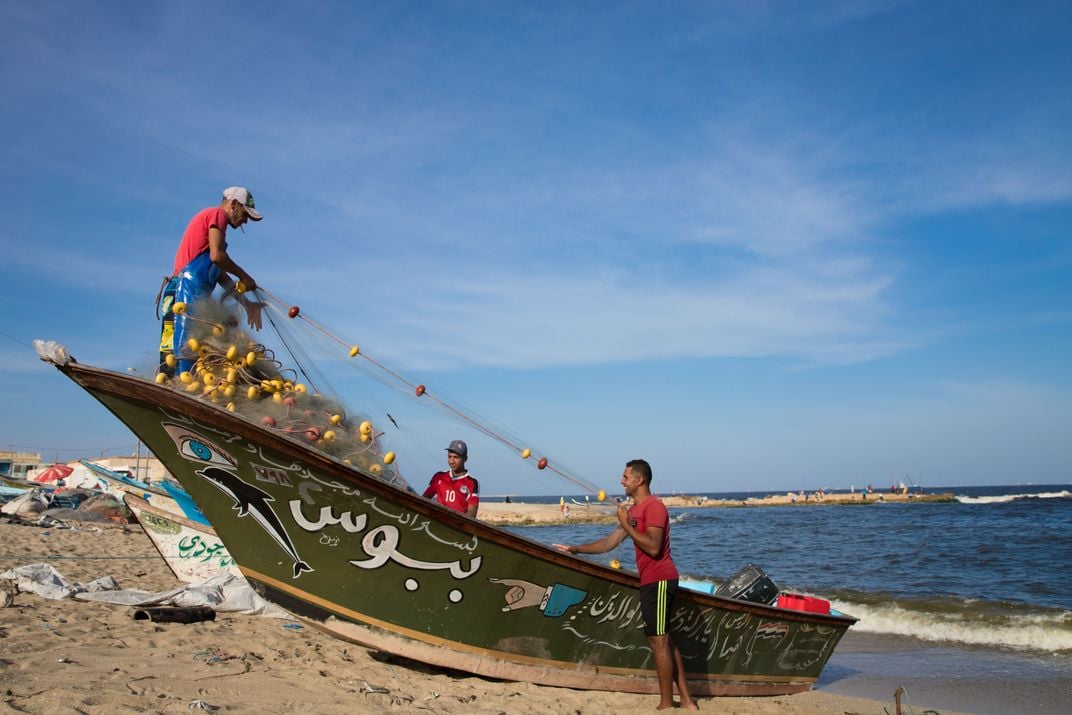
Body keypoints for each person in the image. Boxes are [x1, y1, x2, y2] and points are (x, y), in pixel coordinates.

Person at [552, 459, 696, 710]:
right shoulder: (634, 511)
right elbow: (608, 543)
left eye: (625, 476)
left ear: (639, 480)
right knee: (663, 640)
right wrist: (576, 549)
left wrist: (627, 525)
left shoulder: (654, 507)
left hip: (660, 579)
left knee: (658, 640)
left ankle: (666, 703)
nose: (621, 481)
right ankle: (686, 701)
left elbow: (653, 547)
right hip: (651, 581)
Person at [158, 187, 265, 376]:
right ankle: (179, 389)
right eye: (245, 214)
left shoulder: (213, 237)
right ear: (234, 205)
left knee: (189, 351)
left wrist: (247, 304)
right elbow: (217, 257)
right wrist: (244, 276)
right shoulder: (217, 215)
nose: (245, 220)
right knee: (182, 350)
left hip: (186, 296)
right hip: (181, 294)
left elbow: (221, 276)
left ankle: (181, 386)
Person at [422, 440, 479, 516]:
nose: (451, 461)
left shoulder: (472, 482)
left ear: (465, 458)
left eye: (456, 457)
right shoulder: (439, 476)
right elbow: (423, 500)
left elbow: (471, 514)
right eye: (449, 457)